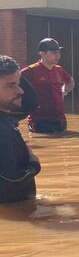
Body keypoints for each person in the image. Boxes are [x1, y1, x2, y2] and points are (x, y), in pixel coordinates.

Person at [0, 56, 42, 203]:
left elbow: (32, 102)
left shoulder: (7, 116)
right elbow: (13, 180)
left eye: (18, 83)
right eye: (10, 85)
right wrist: (34, 164)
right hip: (13, 211)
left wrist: (15, 72)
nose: (20, 91)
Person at [21, 38, 75, 133]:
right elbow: (13, 82)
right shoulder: (31, 71)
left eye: (58, 52)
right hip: (40, 121)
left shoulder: (59, 70)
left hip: (60, 120)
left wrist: (64, 91)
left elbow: (71, 82)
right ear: (43, 53)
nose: (57, 55)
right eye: (54, 52)